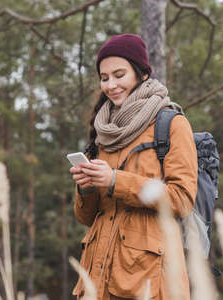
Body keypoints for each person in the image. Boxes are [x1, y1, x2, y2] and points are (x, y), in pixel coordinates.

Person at [70, 34, 198, 300]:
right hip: (96, 283)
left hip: (149, 284)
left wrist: (116, 181)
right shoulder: (103, 132)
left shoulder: (172, 124)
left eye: (119, 74)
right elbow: (86, 217)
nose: (111, 85)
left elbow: (182, 200)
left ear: (141, 74)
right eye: (104, 78)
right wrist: (86, 189)